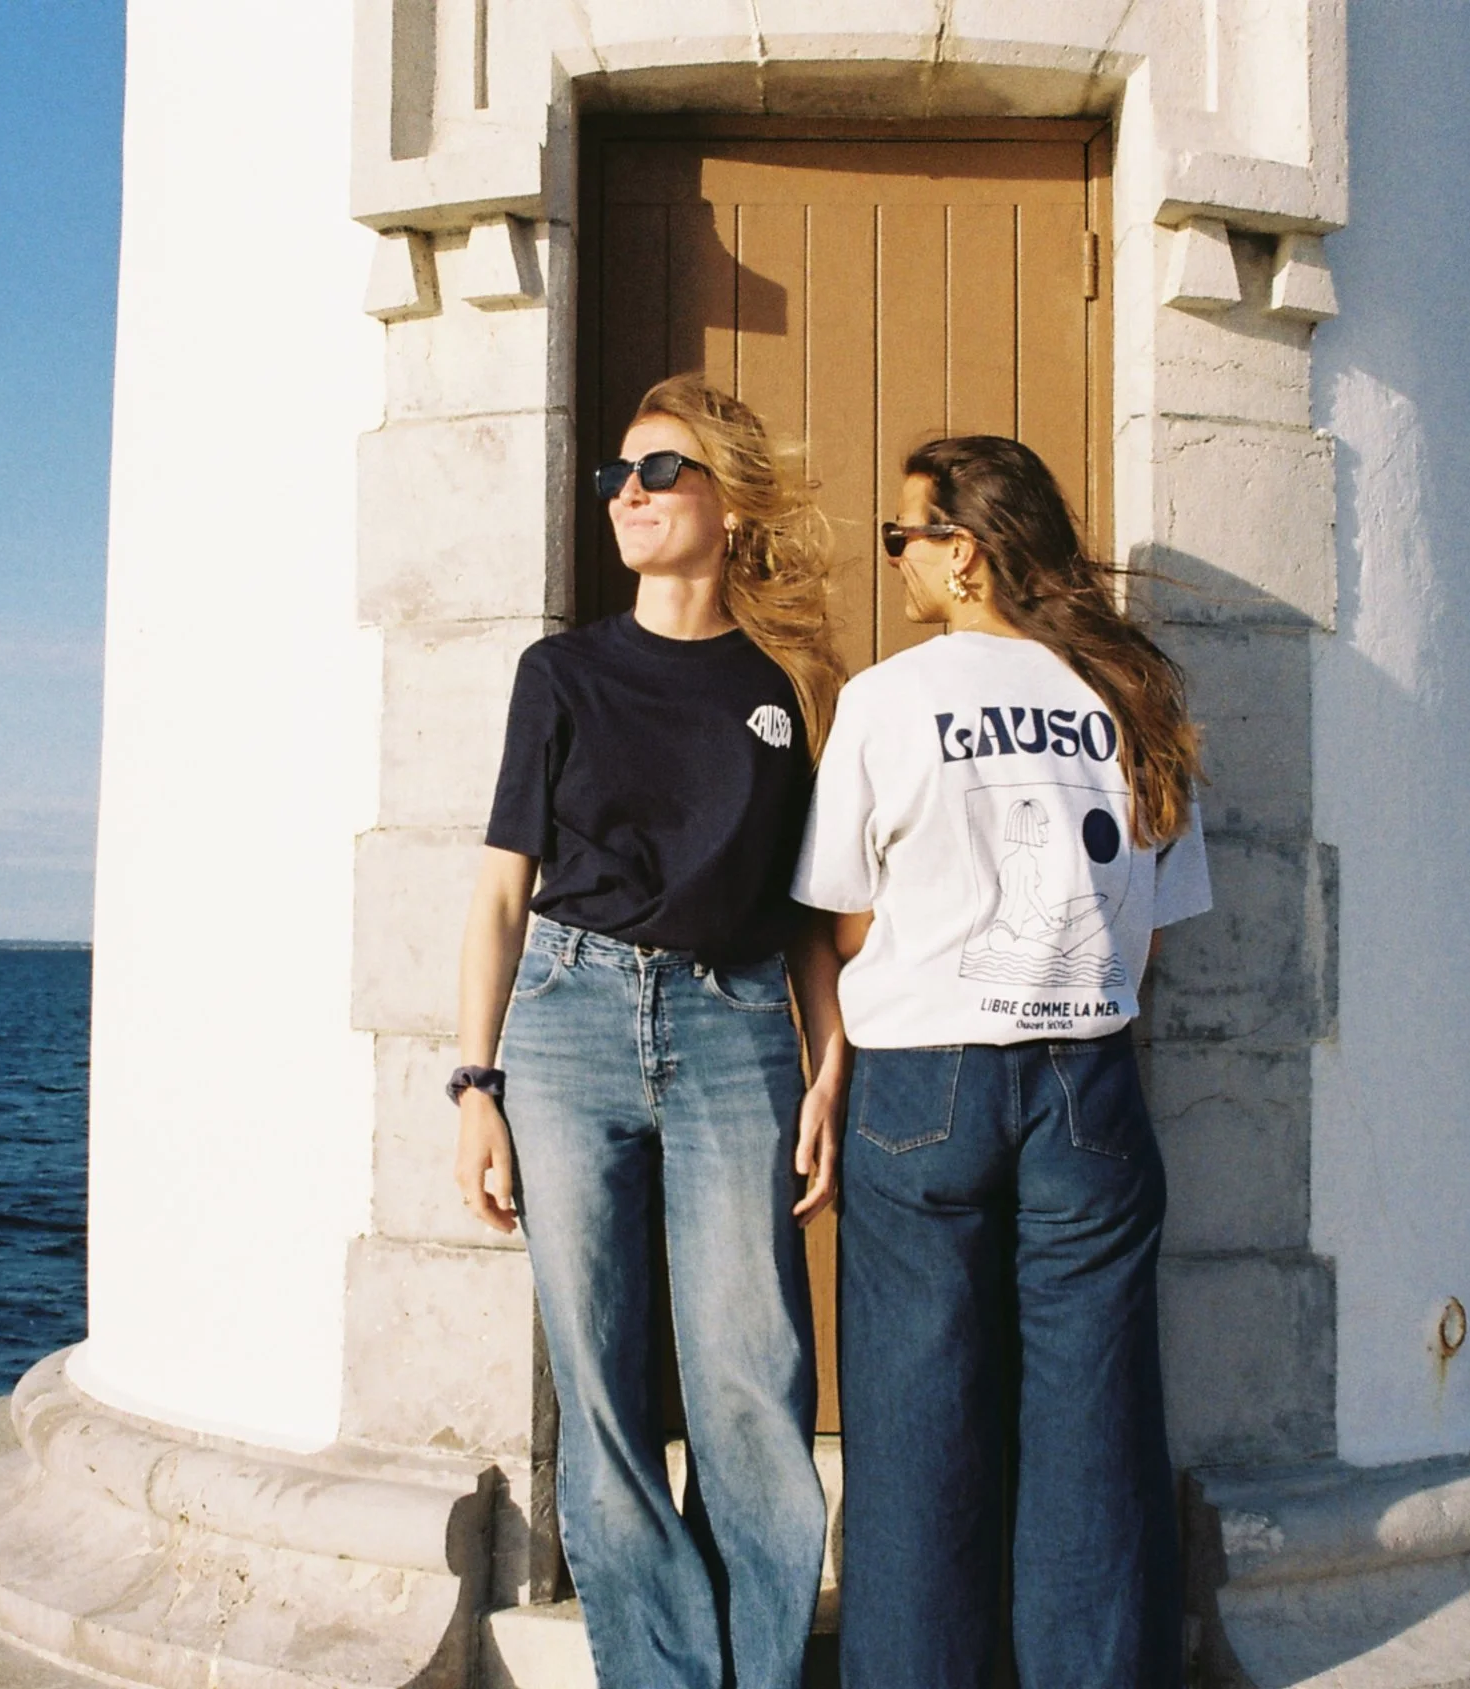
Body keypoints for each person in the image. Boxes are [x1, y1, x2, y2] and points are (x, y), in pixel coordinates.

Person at [792, 435, 1212, 1689]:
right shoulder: (1131, 697)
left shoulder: (888, 700)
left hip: (923, 1080)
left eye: (903, 536)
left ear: (963, 552)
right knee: (1096, 1430)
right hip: (1089, 1078)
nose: (896, 561)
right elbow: (1151, 932)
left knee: (917, 1430)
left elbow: (841, 916)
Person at [449, 374, 849, 1689]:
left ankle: (756, 1668)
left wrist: (828, 1065)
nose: (629, 493)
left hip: (735, 1027)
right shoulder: (560, 673)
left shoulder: (793, 685)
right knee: (603, 1388)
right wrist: (475, 1085)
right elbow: (500, 894)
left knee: (752, 1381)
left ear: (730, 504)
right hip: (566, 1026)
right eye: (617, 474)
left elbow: (811, 910)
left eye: (661, 470)